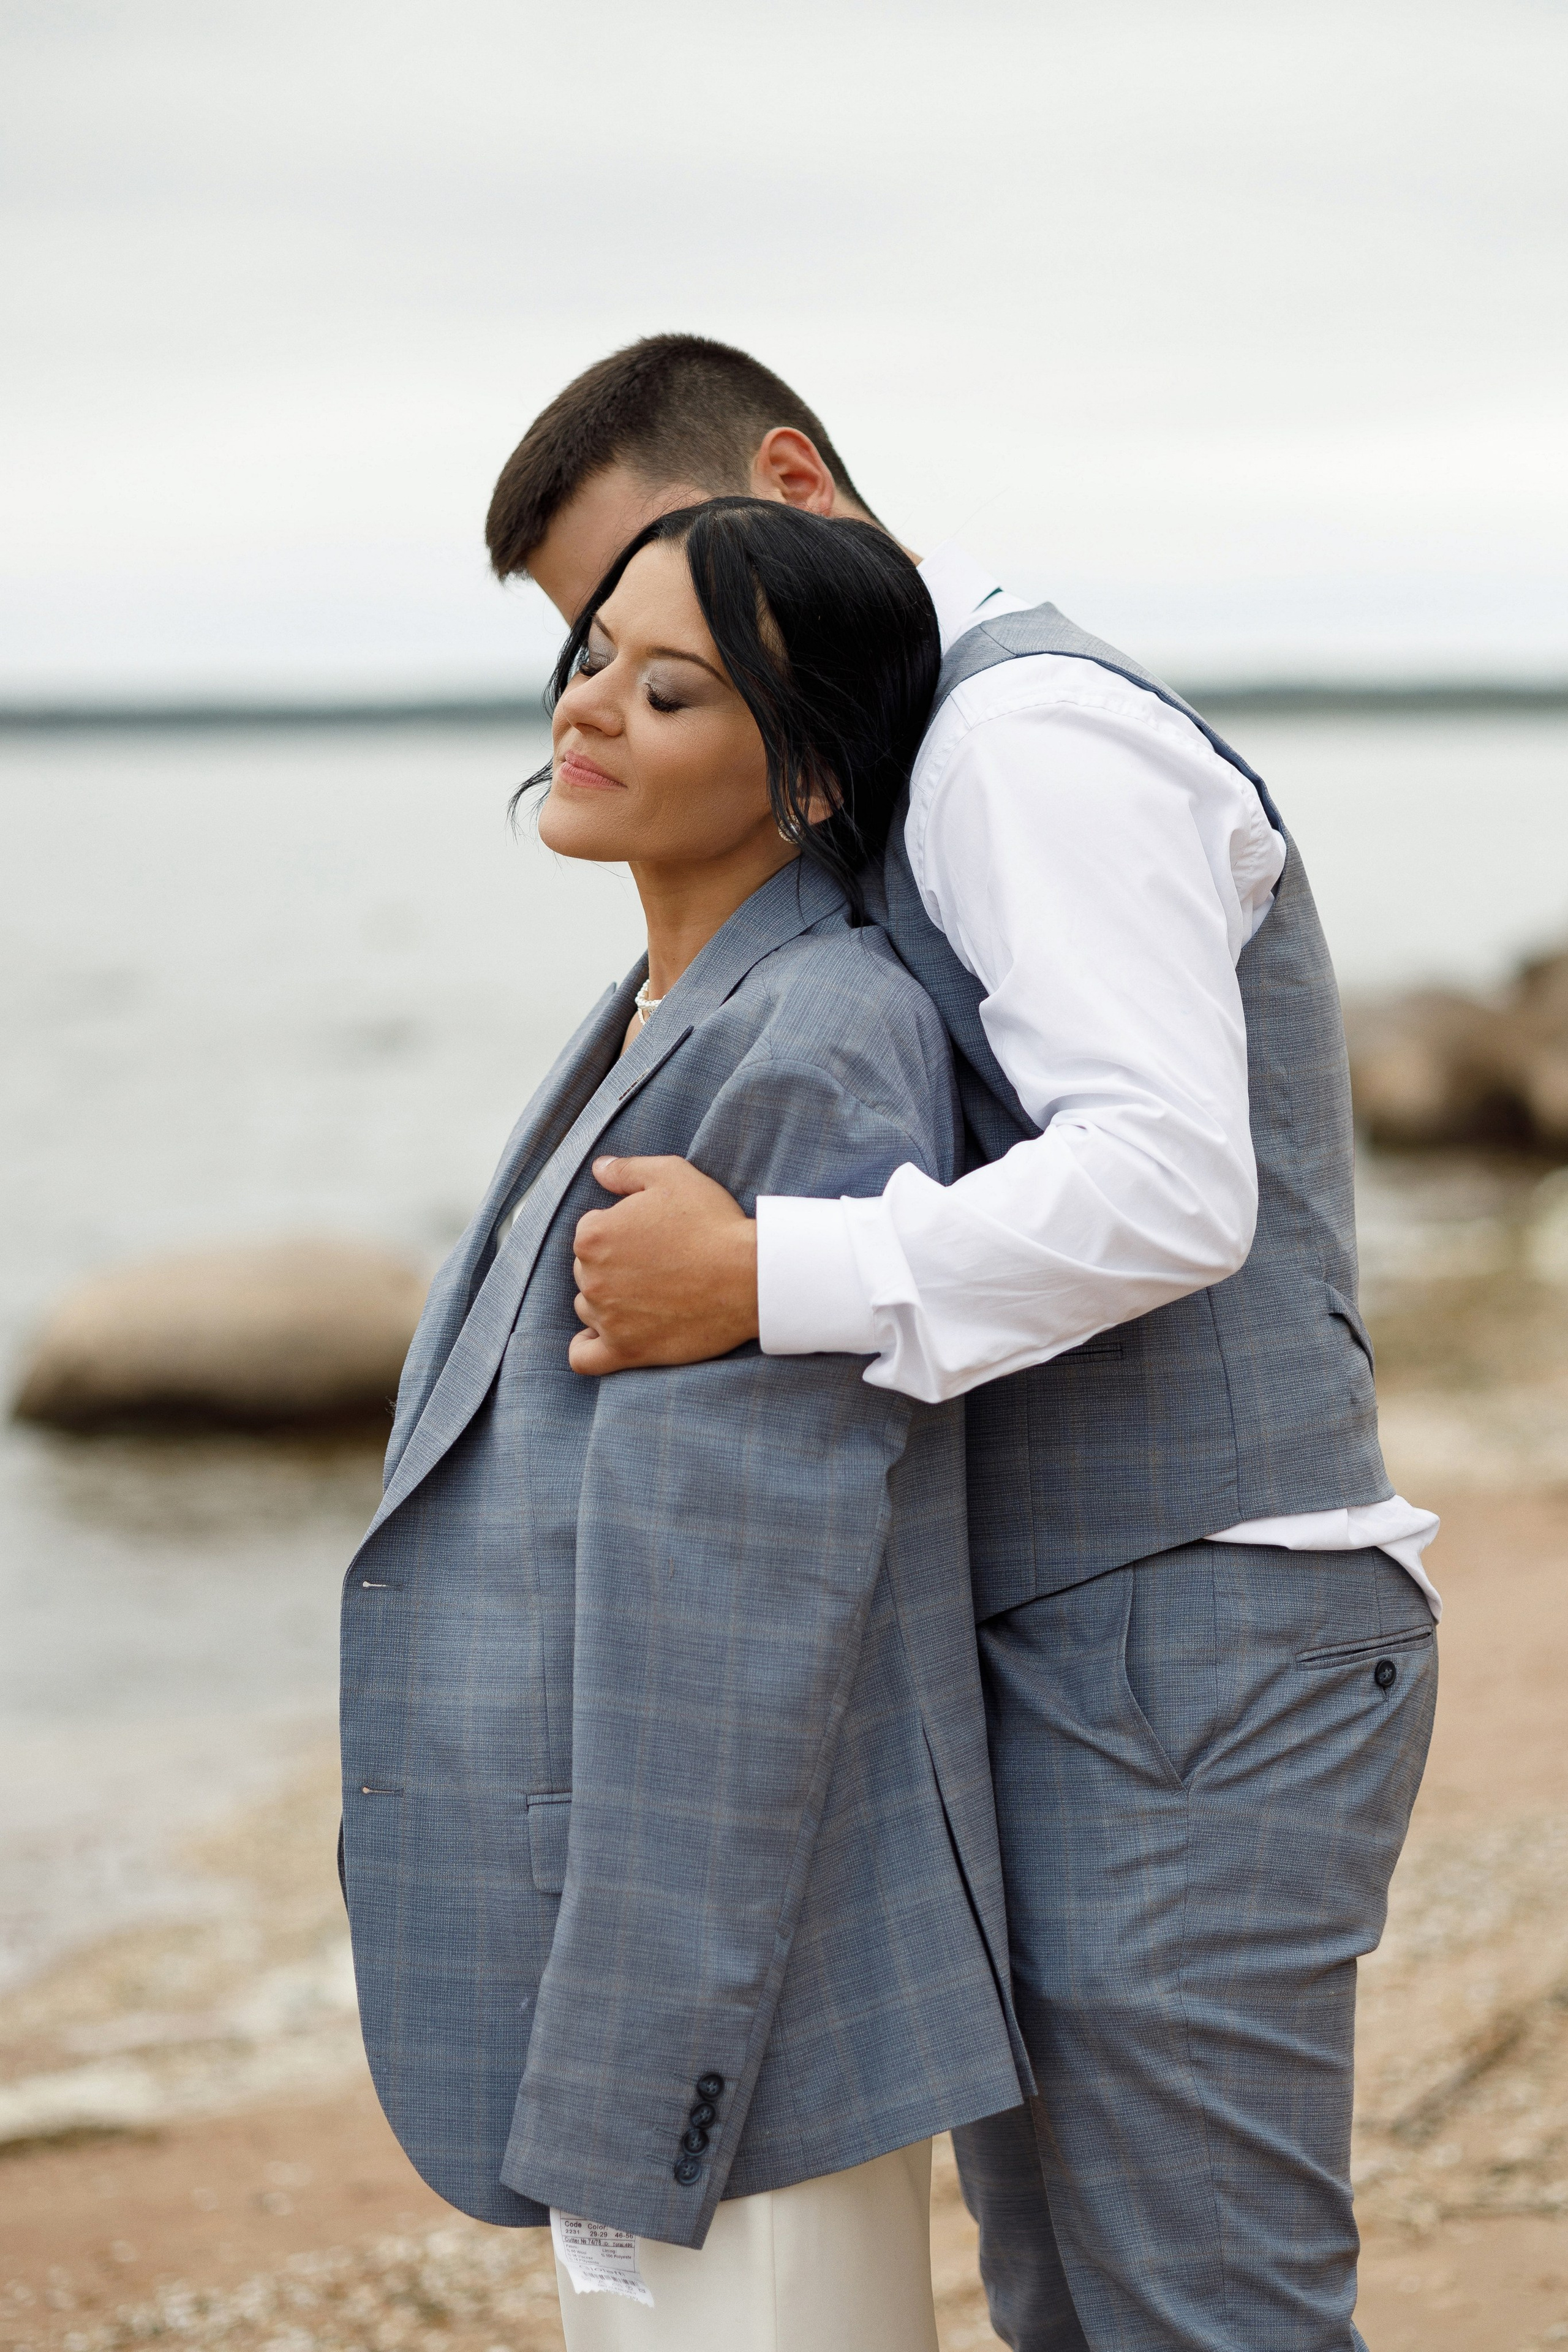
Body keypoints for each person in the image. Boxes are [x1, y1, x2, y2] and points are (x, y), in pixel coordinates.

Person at [483, 334, 1442, 2352]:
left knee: (1204, 2311)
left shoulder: (1024, 736)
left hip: (1198, 1635)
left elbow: (1170, 1182)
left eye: (666, 613)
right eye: (595, 641)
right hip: (1107, 1643)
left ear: (791, 482)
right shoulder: (923, 755)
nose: (618, 673)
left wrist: (767, 1276)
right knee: (1075, 2304)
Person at [339, 496, 1031, 2352]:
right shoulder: (672, 1003)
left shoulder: (815, 1033)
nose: (586, 708)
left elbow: (739, 1611)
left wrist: (643, 2053)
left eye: (670, 692)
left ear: (810, 778)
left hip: (735, 1977)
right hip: (668, 1941)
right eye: (592, 660)